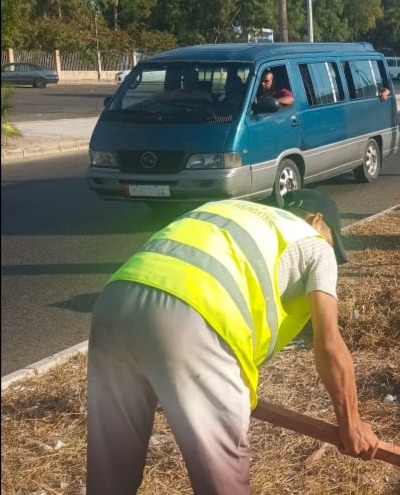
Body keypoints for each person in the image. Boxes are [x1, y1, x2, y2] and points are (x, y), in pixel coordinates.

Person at [86, 190, 379, 494]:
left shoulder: (228, 210)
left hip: (115, 301)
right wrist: (351, 423)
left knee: (110, 474)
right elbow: (329, 341)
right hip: (194, 319)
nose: (331, 248)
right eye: (333, 240)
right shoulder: (315, 243)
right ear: (317, 220)